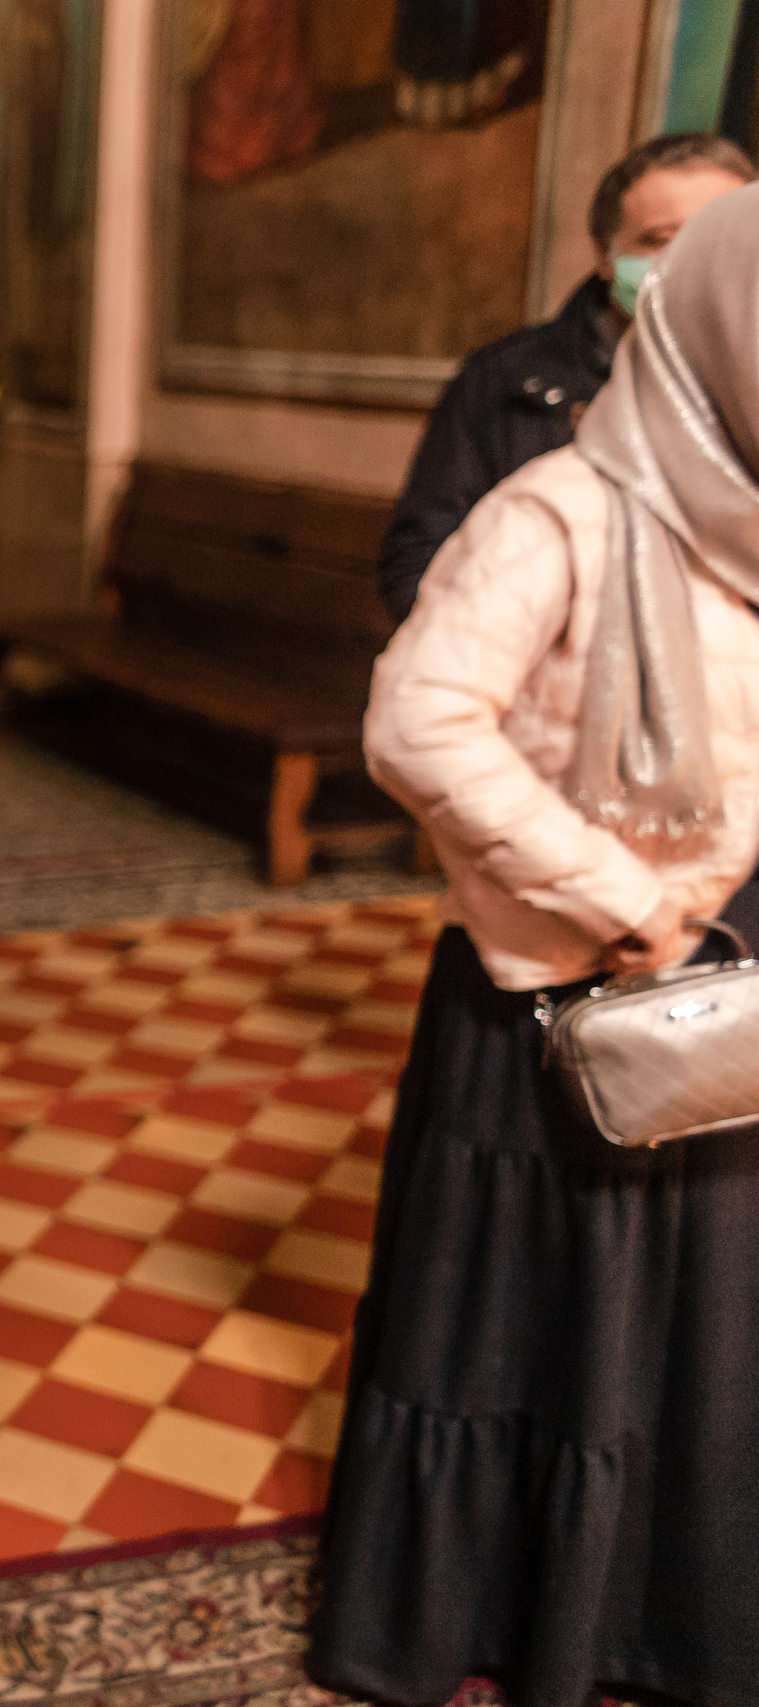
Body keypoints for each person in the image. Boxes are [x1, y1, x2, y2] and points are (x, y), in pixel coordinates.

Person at [314, 183, 759, 1705]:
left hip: (724, 977)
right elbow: (416, 721)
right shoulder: (557, 507)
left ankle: (646, 1616)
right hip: (561, 992)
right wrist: (619, 894)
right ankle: (485, 1612)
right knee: (520, 1327)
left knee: (683, 1329)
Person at [377, 131, 752, 620]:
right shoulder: (506, 379)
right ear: (605, 254)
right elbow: (418, 560)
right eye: (660, 241)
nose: (689, 262)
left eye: (714, 238)